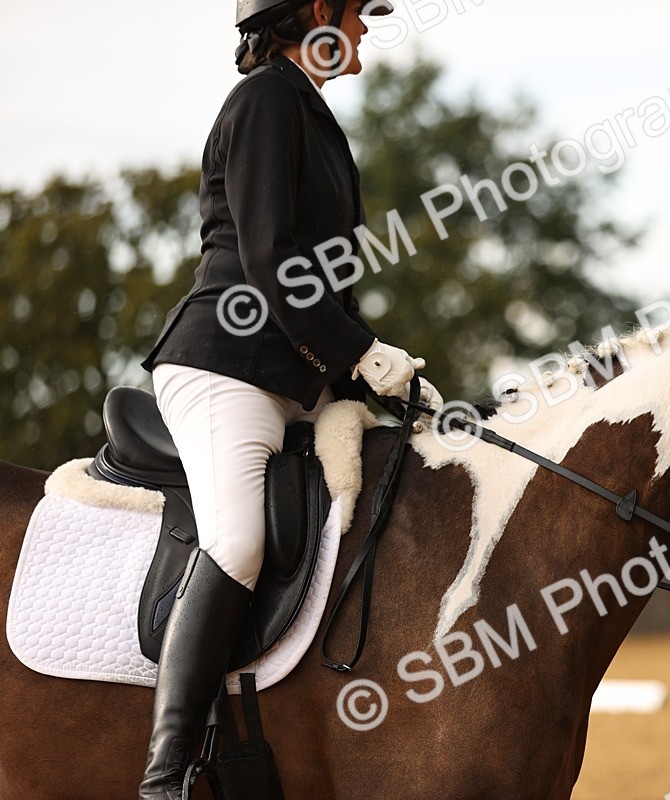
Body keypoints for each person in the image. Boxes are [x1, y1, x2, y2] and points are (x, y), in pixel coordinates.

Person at [136, 2, 431, 796]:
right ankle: (166, 779)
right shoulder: (267, 98)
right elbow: (268, 258)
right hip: (225, 366)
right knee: (236, 543)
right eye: (358, 12)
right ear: (317, 12)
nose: (366, 28)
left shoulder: (309, 110)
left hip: (292, 375)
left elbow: (325, 279)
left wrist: (379, 371)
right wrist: (357, 354)